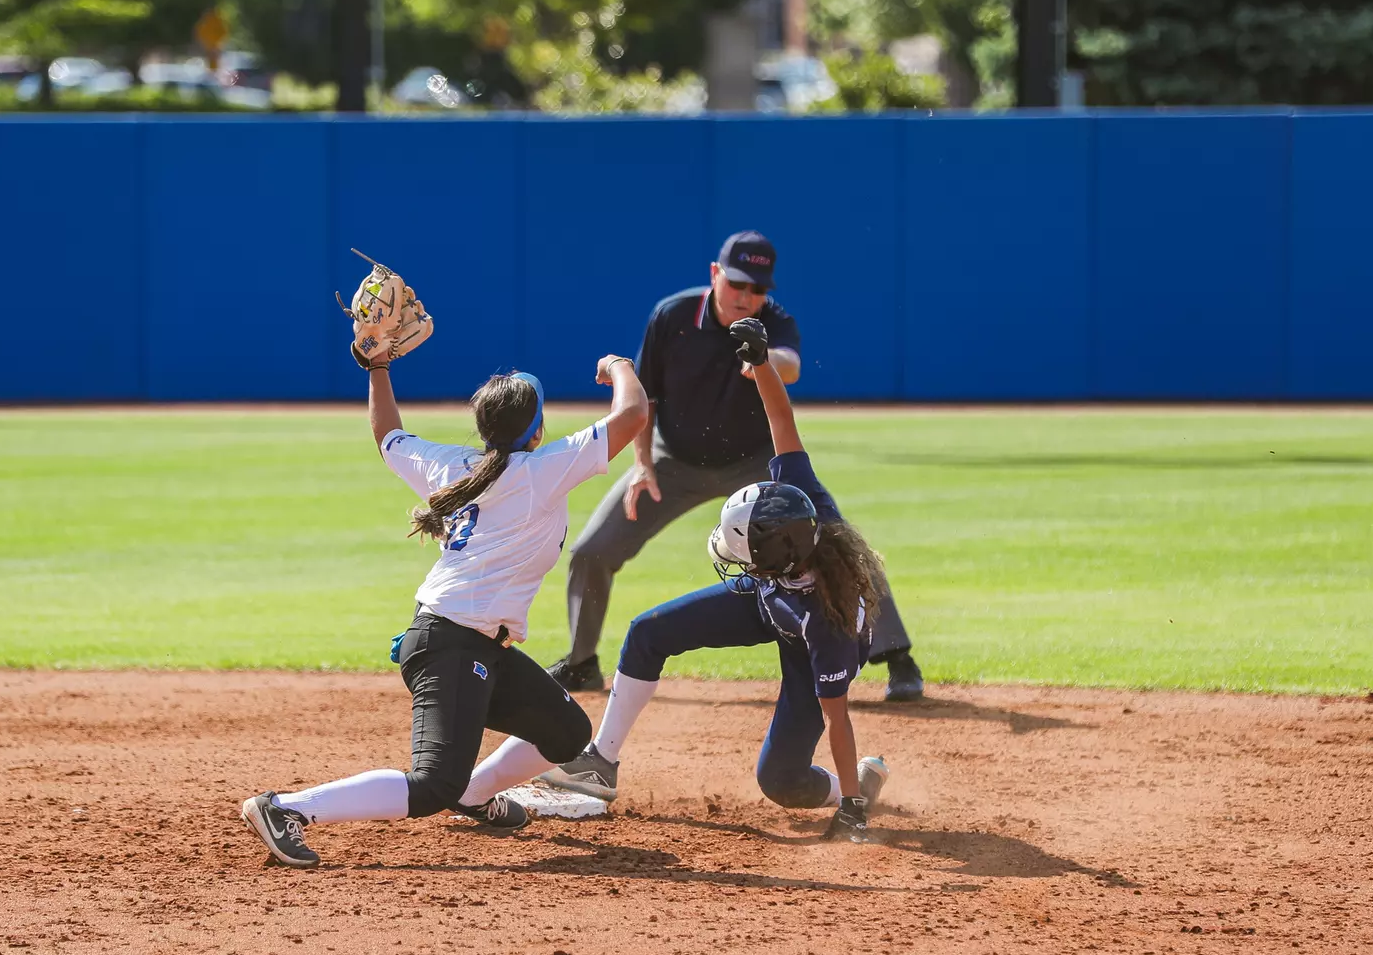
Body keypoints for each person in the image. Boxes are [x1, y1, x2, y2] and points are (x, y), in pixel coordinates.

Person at [239, 343, 649, 869]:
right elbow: (634, 414)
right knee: (432, 782)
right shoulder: (541, 470)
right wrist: (620, 365)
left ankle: (474, 795)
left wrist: (378, 368)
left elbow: (388, 438)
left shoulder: (452, 465)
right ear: (537, 430)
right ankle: (285, 808)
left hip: (474, 645)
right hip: (450, 646)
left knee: (568, 733)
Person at [540, 318, 889, 841]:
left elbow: (838, 721)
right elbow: (780, 415)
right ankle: (599, 763)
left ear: (769, 560)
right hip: (773, 596)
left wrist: (853, 808)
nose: (728, 551)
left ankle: (855, 787)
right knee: (648, 631)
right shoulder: (796, 494)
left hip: (807, 637)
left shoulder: (828, 629)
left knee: (782, 781)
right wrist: (760, 362)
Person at [545, 230, 924, 702]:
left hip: (757, 467)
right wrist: (641, 464)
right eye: (738, 283)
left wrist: (762, 356)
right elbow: (646, 397)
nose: (747, 296)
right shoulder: (673, 316)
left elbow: (790, 365)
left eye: (758, 289)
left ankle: (898, 656)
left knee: (835, 540)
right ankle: (581, 663)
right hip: (672, 463)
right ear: (714, 274)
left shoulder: (773, 323)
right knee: (591, 550)